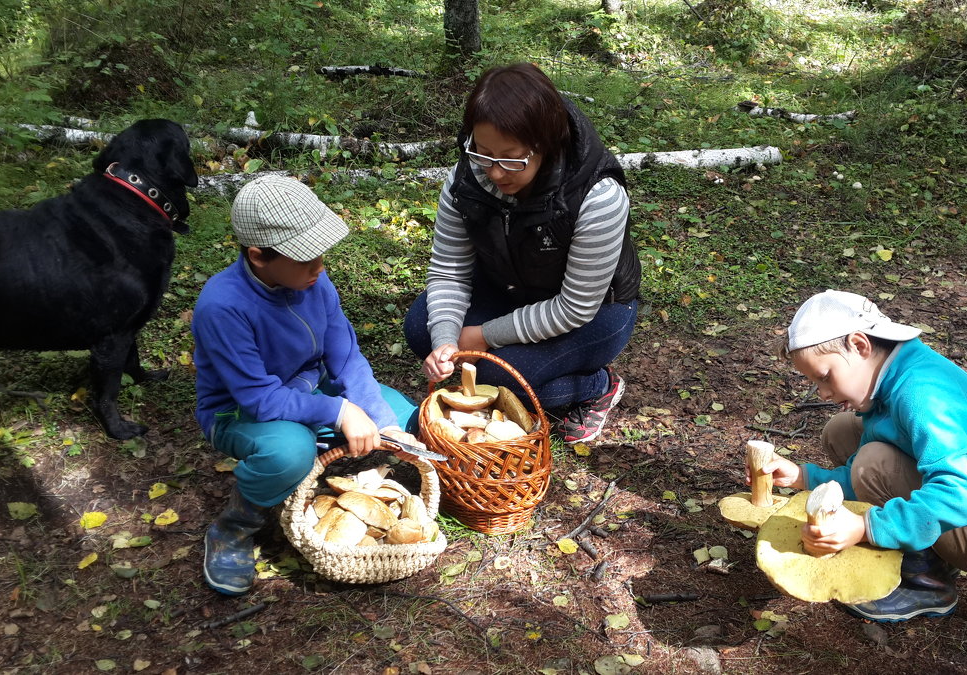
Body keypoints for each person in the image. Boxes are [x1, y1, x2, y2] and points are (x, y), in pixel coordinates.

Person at [192, 175, 421, 596]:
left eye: (320, 253)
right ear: (259, 256)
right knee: (289, 451)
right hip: (240, 412)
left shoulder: (313, 280)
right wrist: (338, 411)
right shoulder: (223, 306)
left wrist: (382, 420)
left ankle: (341, 452)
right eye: (305, 257)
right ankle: (235, 528)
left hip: (307, 390)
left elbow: (345, 357)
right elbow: (258, 398)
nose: (319, 266)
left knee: (403, 413)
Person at [761, 290, 967, 622]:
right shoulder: (890, 380)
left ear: (859, 345)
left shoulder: (923, 397)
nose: (823, 393)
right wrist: (801, 477)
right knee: (841, 431)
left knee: (874, 463)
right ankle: (912, 538)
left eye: (825, 377)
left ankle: (926, 581)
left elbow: (959, 497)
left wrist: (866, 526)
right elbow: (858, 472)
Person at [403, 62, 640, 444]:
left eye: (512, 159)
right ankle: (500, 358)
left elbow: (575, 307)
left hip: (594, 313)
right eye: (483, 153)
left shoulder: (597, 196)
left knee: (500, 378)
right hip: (509, 287)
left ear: (546, 144)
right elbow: (449, 271)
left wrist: (483, 335)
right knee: (421, 327)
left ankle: (597, 385)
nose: (495, 173)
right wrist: (448, 338)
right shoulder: (468, 177)